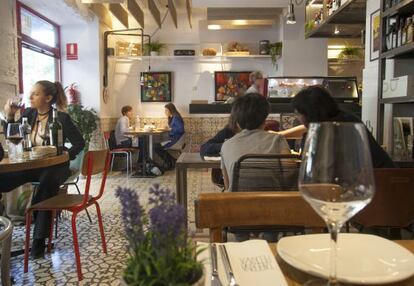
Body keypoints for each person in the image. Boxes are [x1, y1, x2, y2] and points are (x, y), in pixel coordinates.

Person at [0, 80, 85, 258]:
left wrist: (64, 155)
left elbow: (79, 143)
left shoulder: (61, 118)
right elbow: (12, 135)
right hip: (32, 165)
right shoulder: (29, 113)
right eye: (31, 93)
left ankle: (38, 241)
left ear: (48, 98)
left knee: (46, 183)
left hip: (56, 167)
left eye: (36, 94)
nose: (30, 97)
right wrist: (9, 117)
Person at [291, 85, 395, 168]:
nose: (298, 119)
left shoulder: (334, 130)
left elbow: (321, 169)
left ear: (310, 114)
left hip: (378, 184)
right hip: (382, 178)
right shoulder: (345, 119)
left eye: (298, 114)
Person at [220, 93, 290, 192]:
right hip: (273, 202)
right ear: (264, 120)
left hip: (237, 203)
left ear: (237, 122)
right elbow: (289, 172)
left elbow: (228, 186)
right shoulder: (277, 139)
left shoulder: (226, 145)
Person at [154, 103, 184, 170]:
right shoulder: (173, 117)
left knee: (156, 146)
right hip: (173, 139)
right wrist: (169, 128)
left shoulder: (176, 117)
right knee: (156, 146)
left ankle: (169, 162)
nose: (165, 112)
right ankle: (172, 161)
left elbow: (181, 129)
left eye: (166, 110)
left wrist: (170, 129)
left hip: (175, 140)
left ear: (171, 110)